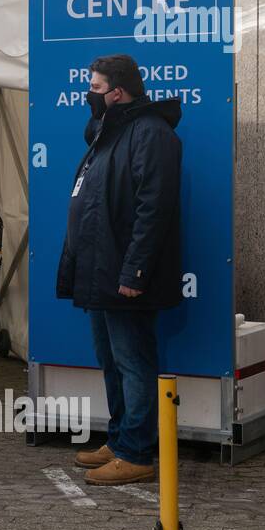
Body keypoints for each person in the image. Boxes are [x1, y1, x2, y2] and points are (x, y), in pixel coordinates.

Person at [57, 54, 183, 486]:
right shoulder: (110, 131)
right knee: (111, 359)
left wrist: (135, 273)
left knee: (133, 361)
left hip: (124, 275)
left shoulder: (151, 133)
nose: (89, 94)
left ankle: (136, 452)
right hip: (101, 272)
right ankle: (121, 436)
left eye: (95, 88)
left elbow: (154, 209)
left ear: (118, 91)